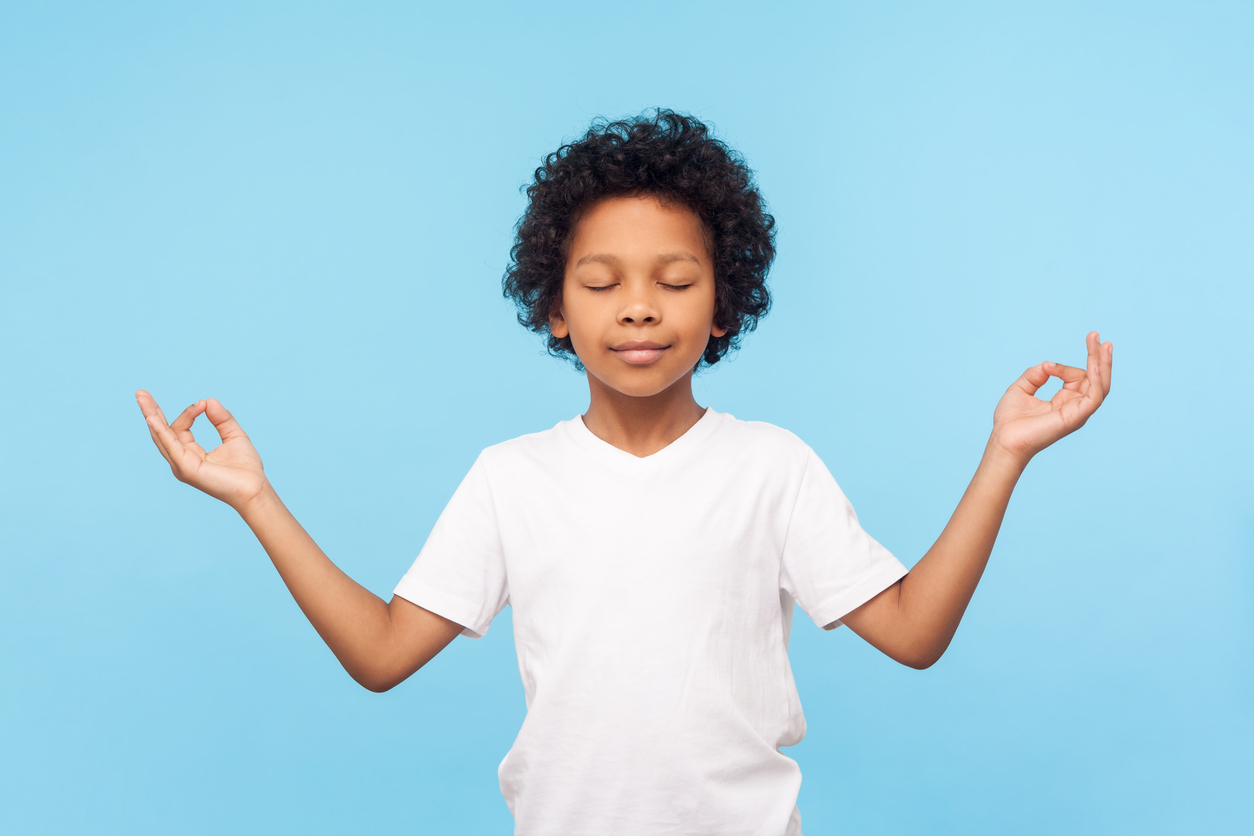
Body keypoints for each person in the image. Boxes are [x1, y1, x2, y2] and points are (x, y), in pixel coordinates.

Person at [136, 109, 1113, 836]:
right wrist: (255, 497)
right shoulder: (510, 478)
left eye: (675, 281)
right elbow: (383, 653)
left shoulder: (770, 466)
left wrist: (1006, 453)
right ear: (556, 309)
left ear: (722, 304)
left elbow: (913, 633)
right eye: (602, 283)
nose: (638, 308)